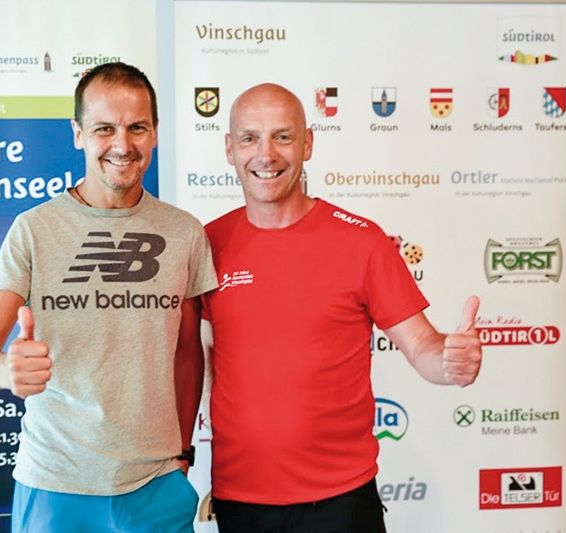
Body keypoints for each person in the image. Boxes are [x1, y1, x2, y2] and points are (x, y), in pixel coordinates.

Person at [201, 83, 483, 532]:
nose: (266, 154)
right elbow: (196, 356)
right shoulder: (207, 244)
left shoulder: (362, 242)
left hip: (341, 502)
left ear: (308, 144)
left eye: (283, 136)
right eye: (250, 138)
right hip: (241, 500)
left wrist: (449, 362)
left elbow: (422, 347)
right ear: (229, 149)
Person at [0, 62, 217, 533]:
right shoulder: (34, 230)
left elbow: (186, 351)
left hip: (157, 485)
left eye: (137, 128)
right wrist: (5, 370)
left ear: (155, 133)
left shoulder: (184, 233)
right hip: (56, 486)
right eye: (104, 129)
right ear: (78, 134)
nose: (122, 145)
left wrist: (182, 455)